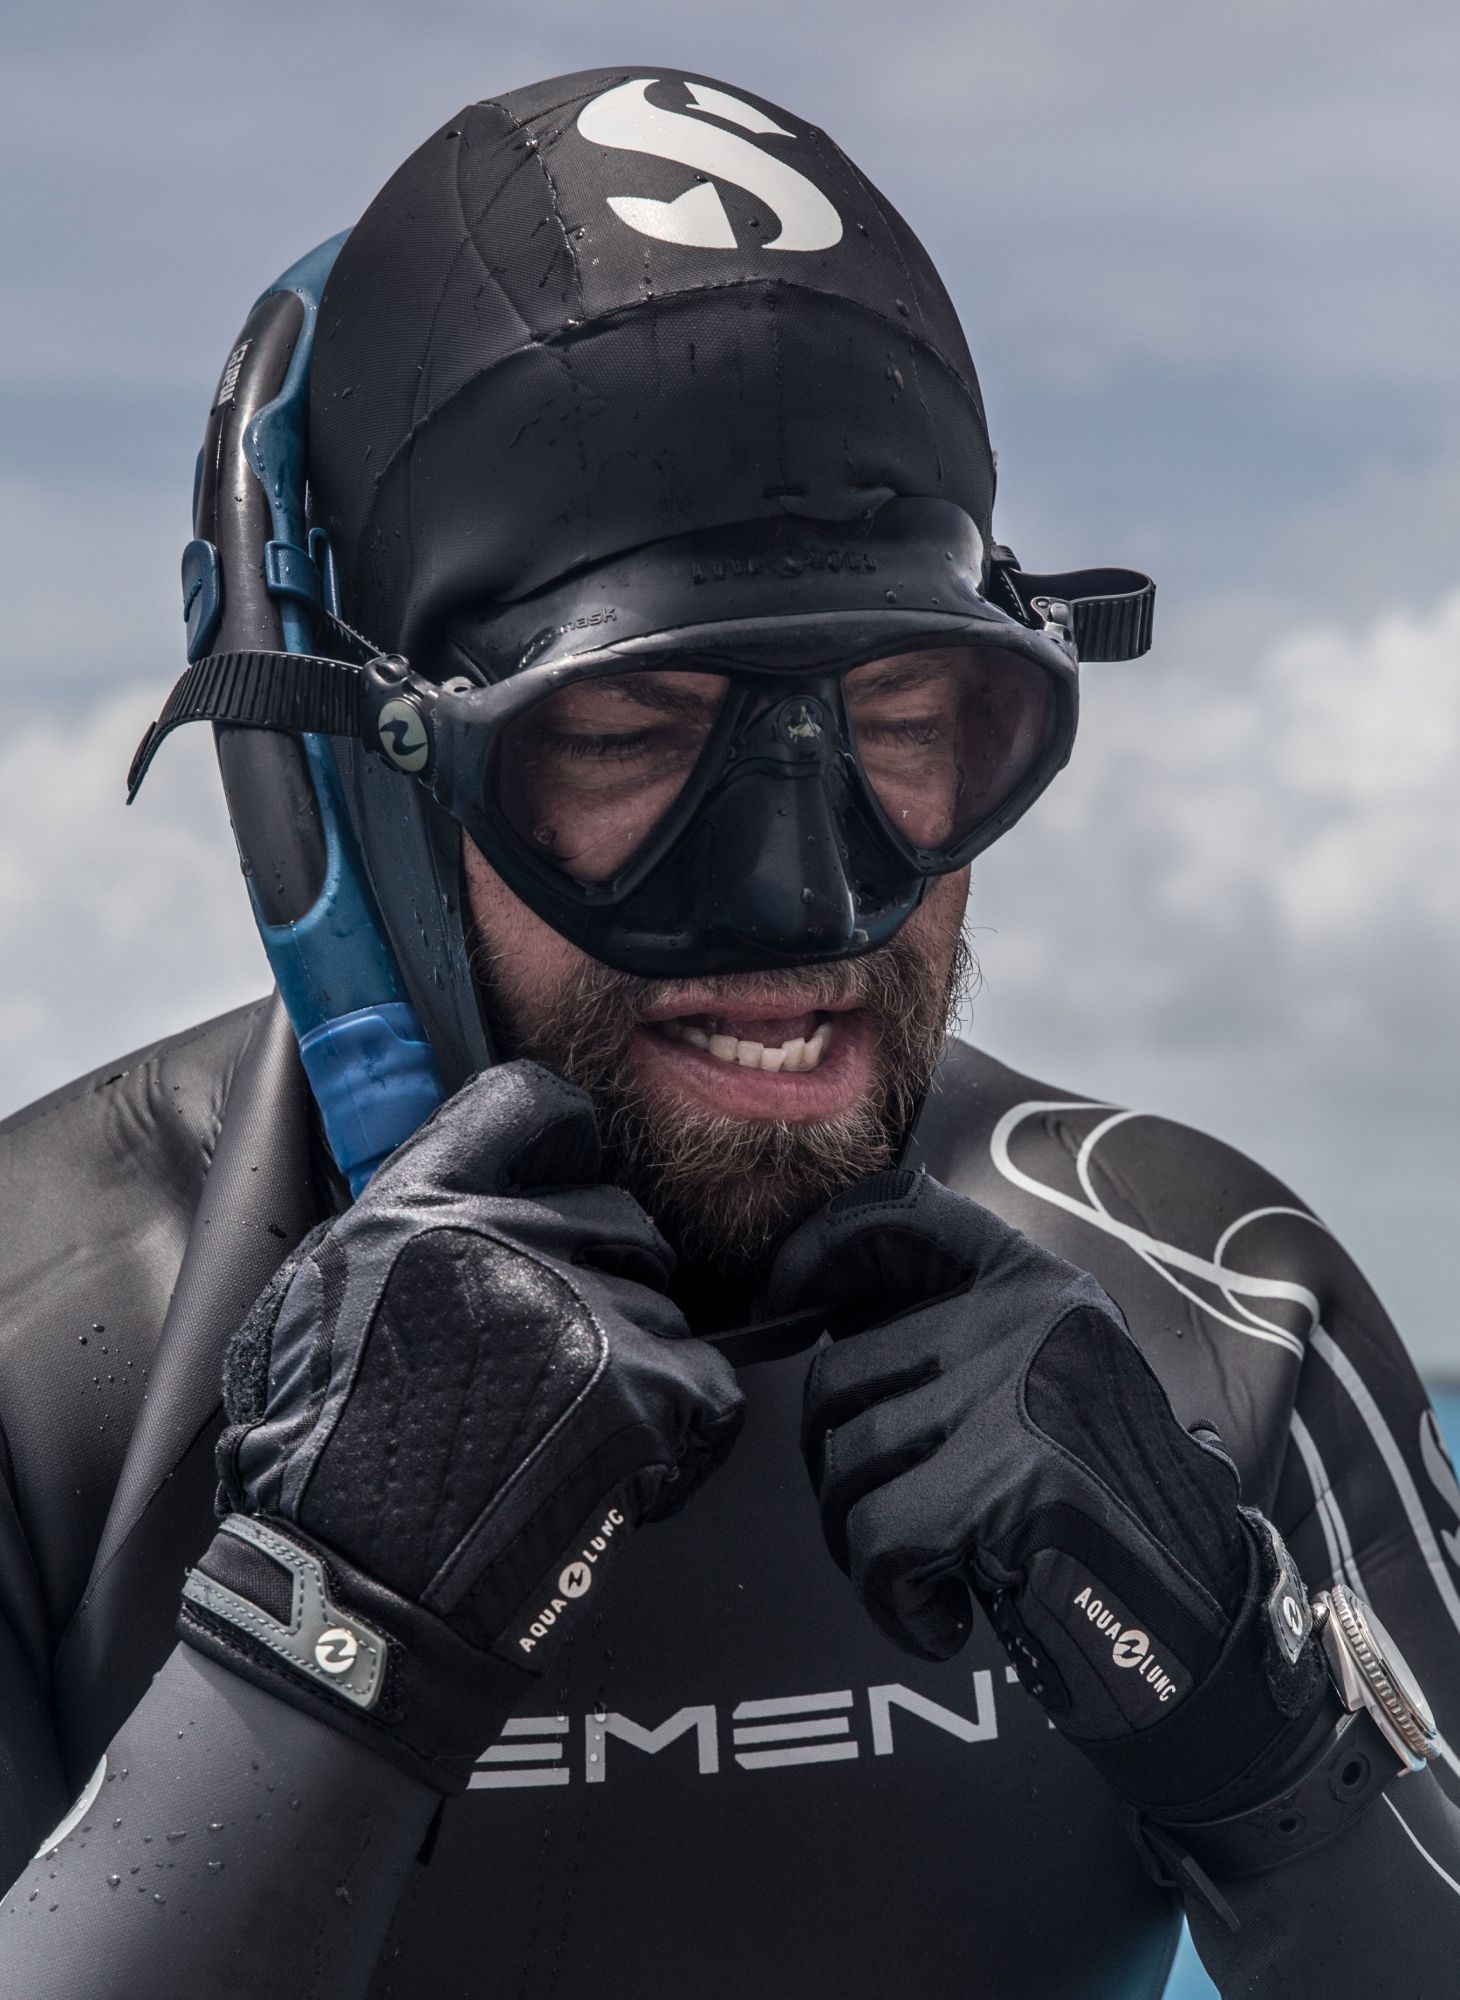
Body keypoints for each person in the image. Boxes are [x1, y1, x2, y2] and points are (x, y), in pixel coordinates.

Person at [1, 66, 1458, 2000]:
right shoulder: (43, 1363)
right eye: (627, 737)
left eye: (910, 725)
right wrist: (322, 1644)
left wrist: (1269, 1752)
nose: (805, 898)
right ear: (363, 777)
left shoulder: (1213, 1320)